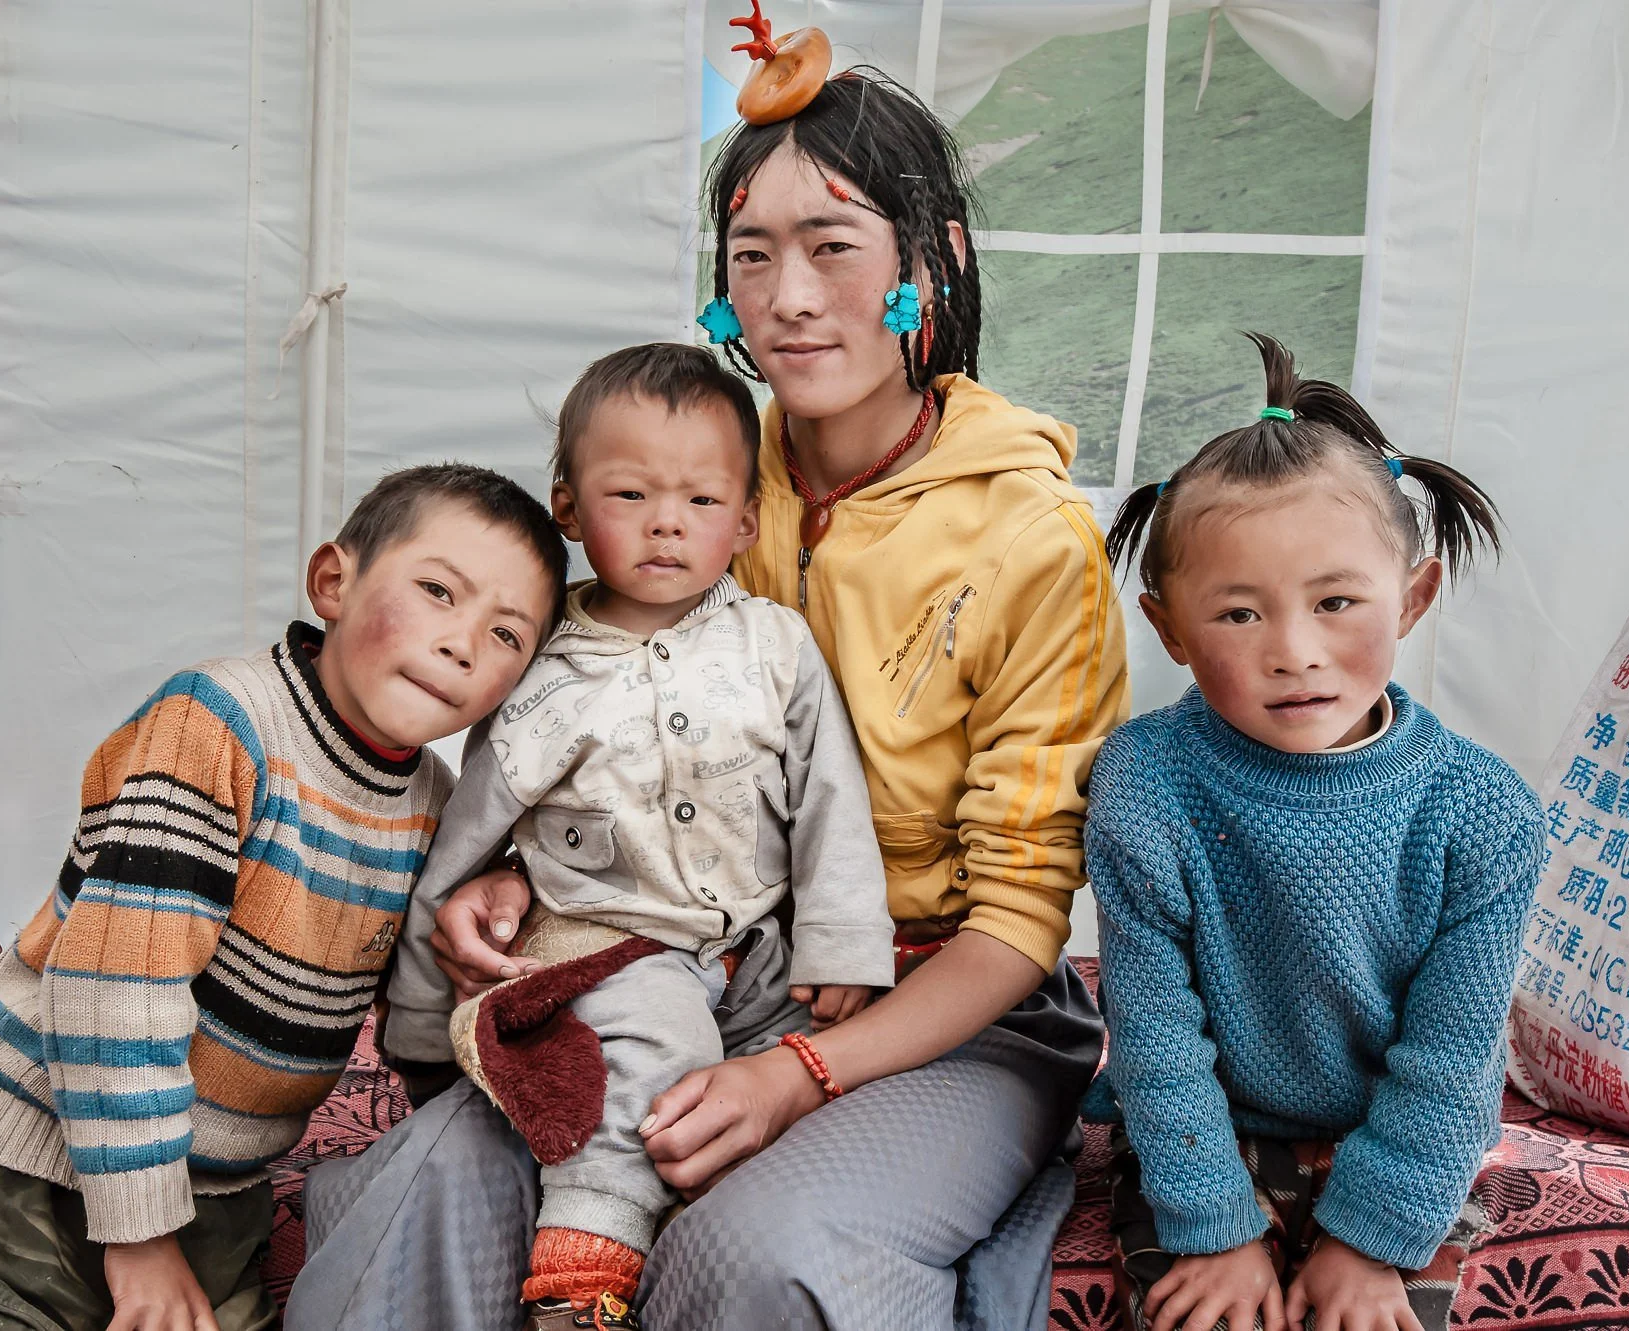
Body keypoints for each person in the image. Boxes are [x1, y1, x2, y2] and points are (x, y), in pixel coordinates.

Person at [290, 54, 1128, 1331]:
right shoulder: (691, 470)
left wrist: (803, 1070)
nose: (789, 298)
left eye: (833, 245)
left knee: (756, 1249)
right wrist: (531, 862)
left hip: (942, 1007)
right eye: (750, 254)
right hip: (673, 966)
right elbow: (572, 706)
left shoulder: (1029, 535)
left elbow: (1020, 914)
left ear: (929, 261)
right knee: (445, 1181)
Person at [0, 464, 567, 1331]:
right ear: (333, 581)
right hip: (34, 1156)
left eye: (508, 635)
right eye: (439, 590)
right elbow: (116, 989)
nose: (463, 643)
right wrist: (139, 1239)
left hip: (216, 1191)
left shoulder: (435, 802)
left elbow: (418, 1006)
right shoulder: (218, 726)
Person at [383, 343, 896, 1330]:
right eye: (629, 494)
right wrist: (417, 1029)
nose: (667, 521)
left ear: (745, 520)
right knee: (656, 1042)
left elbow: (829, 796)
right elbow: (464, 841)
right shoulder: (540, 671)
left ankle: (716, 1227)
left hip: (751, 949)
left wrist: (842, 939)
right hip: (604, 945)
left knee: (802, 1068)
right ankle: (581, 1275)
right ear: (568, 507)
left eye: (701, 502)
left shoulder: (773, 646)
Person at [1085, 334, 1546, 1331]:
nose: (1292, 652)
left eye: (1335, 602)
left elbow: (1451, 1059)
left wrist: (1367, 1242)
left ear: (1411, 597)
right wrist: (1212, 1226)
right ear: (1167, 629)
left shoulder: (1480, 812)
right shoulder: (1143, 786)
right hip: (1209, 1130)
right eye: (1238, 613)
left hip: (1395, 1133)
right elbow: (1156, 1044)